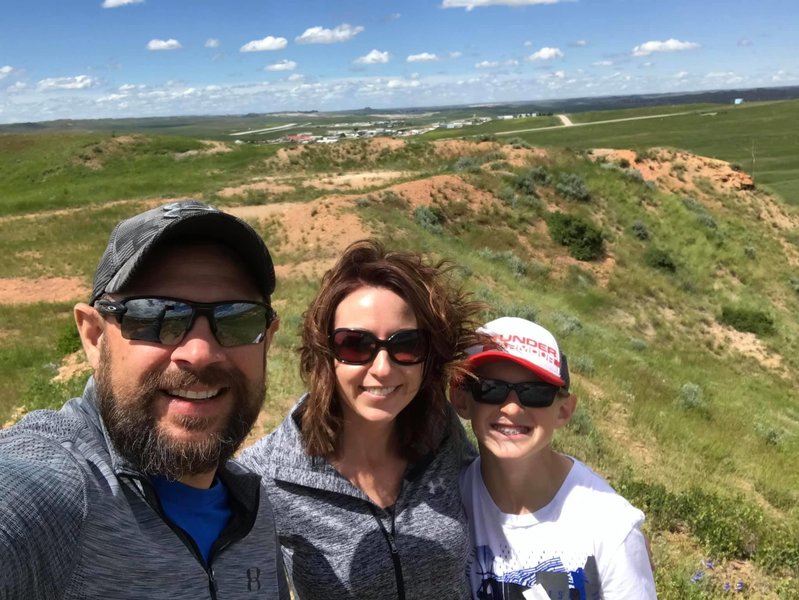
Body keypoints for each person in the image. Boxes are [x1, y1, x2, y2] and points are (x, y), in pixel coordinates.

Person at [0, 200, 289, 599]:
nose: (200, 352)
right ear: (94, 337)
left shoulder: (253, 509)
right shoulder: (63, 493)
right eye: (155, 316)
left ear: (267, 340)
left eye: (236, 319)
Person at [240, 239, 484, 599]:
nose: (383, 369)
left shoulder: (441, 431)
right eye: (356, 345)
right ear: (326, 354)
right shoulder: (267, 478)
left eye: (406, 345)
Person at [451, 316, 657, 599]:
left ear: (564, 411)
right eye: (491, 389)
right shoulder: (447, 502)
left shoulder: (610, 526)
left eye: (535, 393)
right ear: (461, 399)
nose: (511, 409)